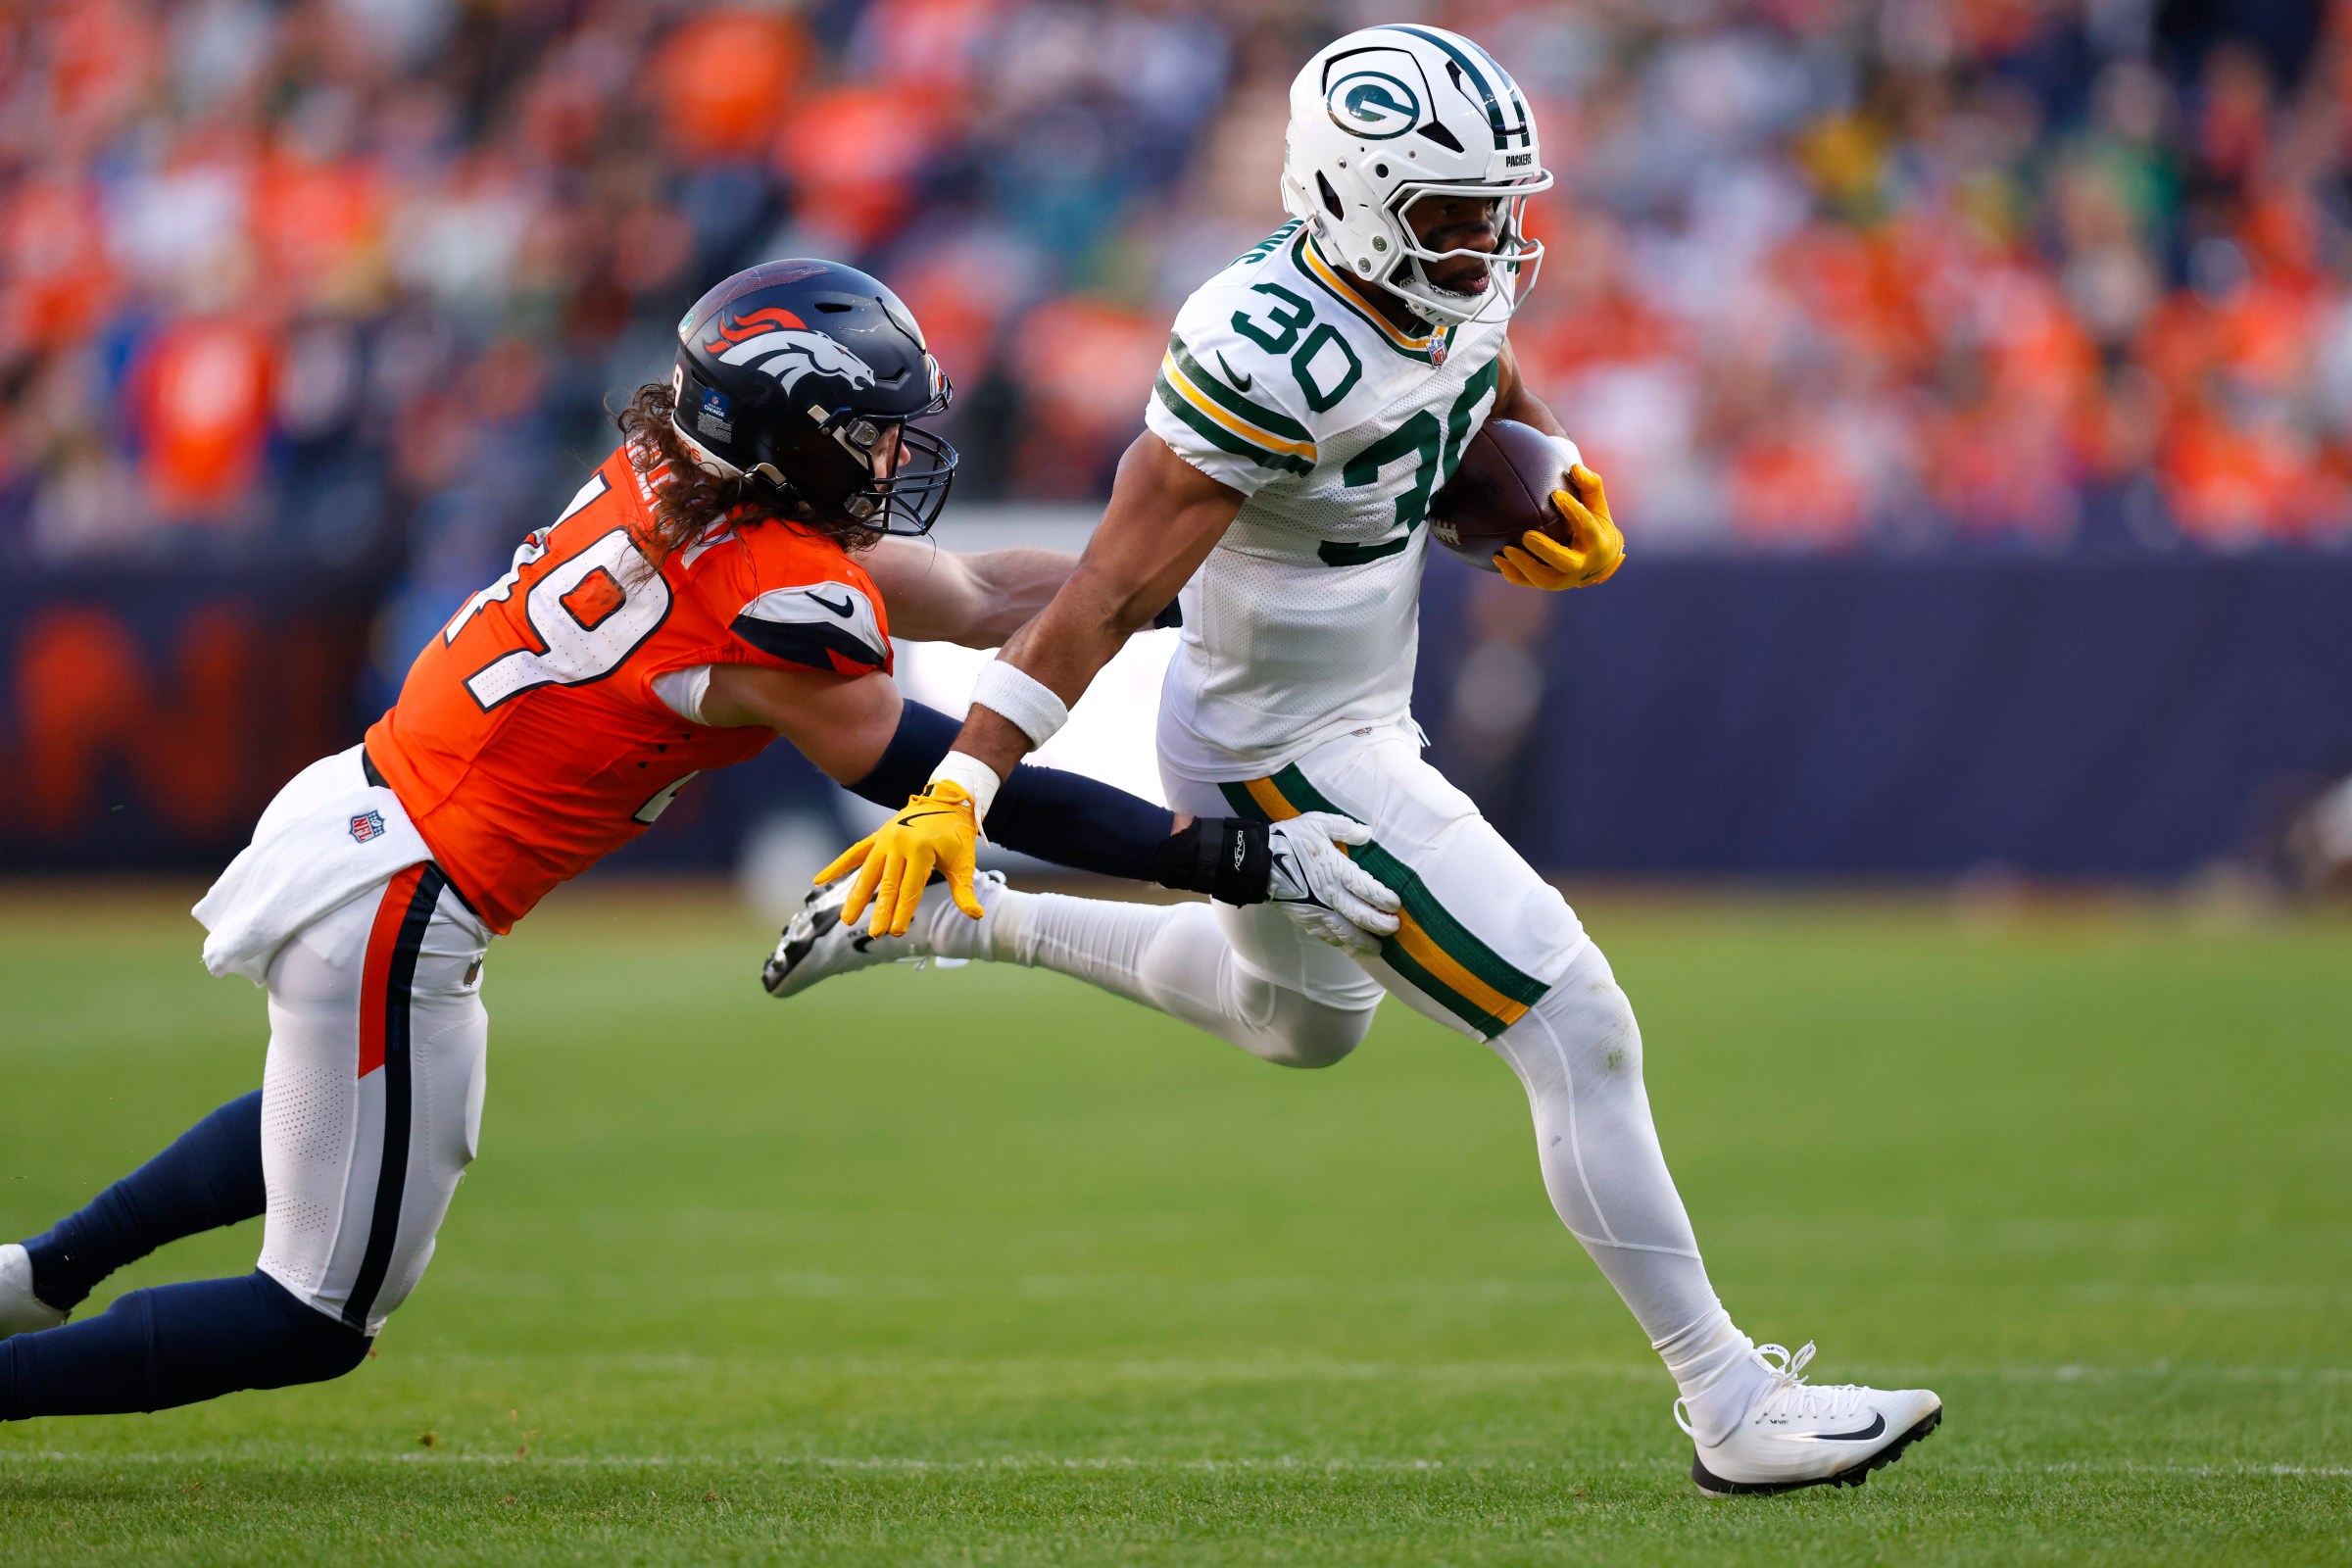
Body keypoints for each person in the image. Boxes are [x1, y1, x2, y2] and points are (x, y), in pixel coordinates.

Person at [775, 30, 1942, 1496]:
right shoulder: (1264, 348)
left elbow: (1482, 367)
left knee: (1298, 1027)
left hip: (1344, 710)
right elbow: (1105, 594)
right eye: (1456, 214)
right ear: (1357, 199)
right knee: (1573, 1019)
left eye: (1502, 208)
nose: (1493, 241)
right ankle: (1728, 1401)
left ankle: (962, 921)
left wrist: (1556, 469)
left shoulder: (1439, 287)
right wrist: (966, 786)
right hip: (1287, 748)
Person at [0, 260, 1396, 1420]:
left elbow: (978, 595)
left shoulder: (678, 484)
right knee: (313, 1317)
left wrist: (1174, 586)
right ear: (786, 434)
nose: (891, 457)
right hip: (404, 886)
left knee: (367, 1127)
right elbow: (953, 778)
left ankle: (41, 1271)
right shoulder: (768, 596)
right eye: (866, 429)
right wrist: (1225, 858)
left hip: (370, 815)